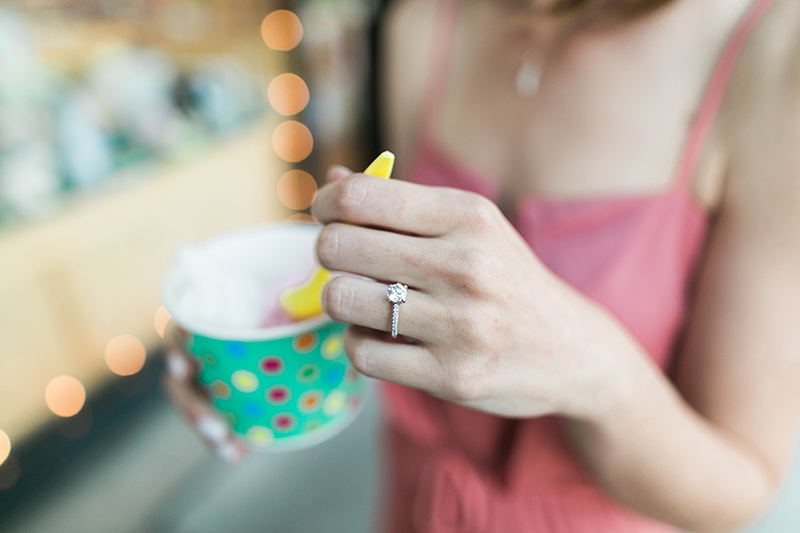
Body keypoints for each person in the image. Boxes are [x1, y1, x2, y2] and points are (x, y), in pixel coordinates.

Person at [166, 0, 800, 530]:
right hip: (415, 506)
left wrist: (594, 368)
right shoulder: (421, 24)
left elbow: (742, 489)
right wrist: (250, 332)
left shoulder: (773, 60)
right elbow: (399, 289)